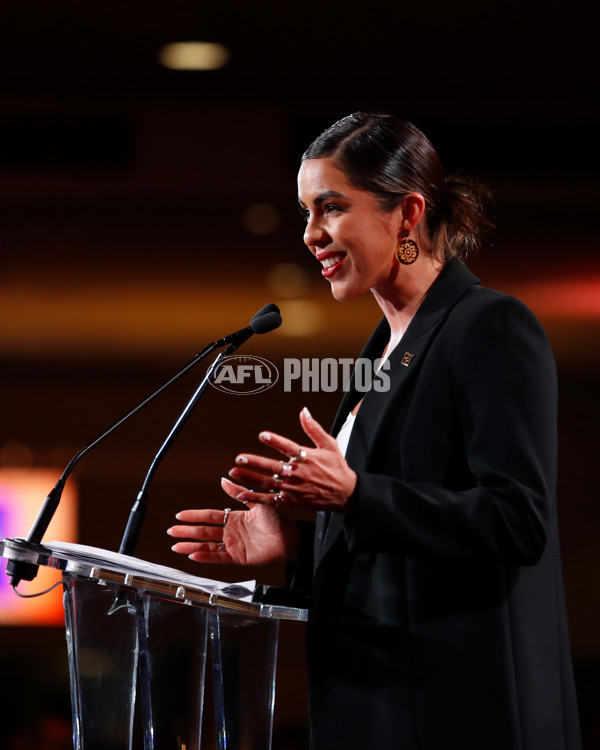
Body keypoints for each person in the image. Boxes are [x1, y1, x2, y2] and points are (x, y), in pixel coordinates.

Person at [167, 112, 581, 750]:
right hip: (380, 706)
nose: (310, 234)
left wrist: (355, 495)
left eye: (330, 208)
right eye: (306, 212)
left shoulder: (490, 328)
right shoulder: (377, 353)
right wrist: (298, 548)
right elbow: (397, 540)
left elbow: (516, 521)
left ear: (408, 214)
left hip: (462, 712)